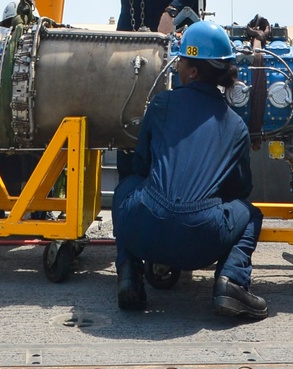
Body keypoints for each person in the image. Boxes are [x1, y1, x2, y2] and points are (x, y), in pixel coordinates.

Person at [112, 20, 267, 320]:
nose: (178, 66)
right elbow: (240, 190)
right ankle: (231, 282)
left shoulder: (162, 104)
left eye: (182, 60)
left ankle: (129, 275)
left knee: (126, 188)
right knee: (250, 214)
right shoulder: (236, 126)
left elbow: (140, 166)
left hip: (143, 229)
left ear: (193, 71)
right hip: (202, 243)